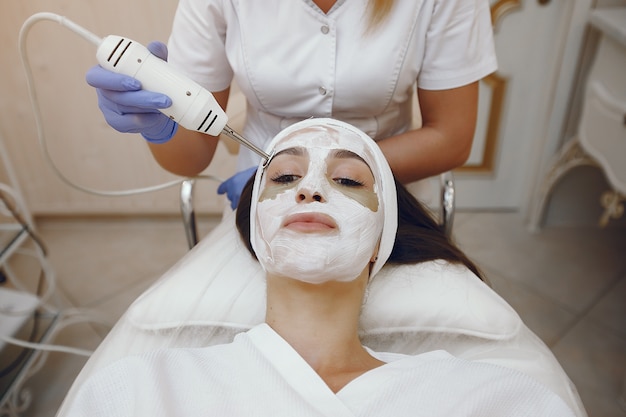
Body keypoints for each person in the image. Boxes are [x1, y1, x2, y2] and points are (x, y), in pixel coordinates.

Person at [59, 119, 575, 416]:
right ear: (258, 230)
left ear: (380, 240)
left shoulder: (491, 400)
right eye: (283, 176)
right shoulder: (140, 392)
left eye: (349, 181)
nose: (309, 188)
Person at [85, 0, 497, 209]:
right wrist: (157, 124)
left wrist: (302, 171)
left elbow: (451, 137)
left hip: (388, 181)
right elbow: (191, 157)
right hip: (263, 189)